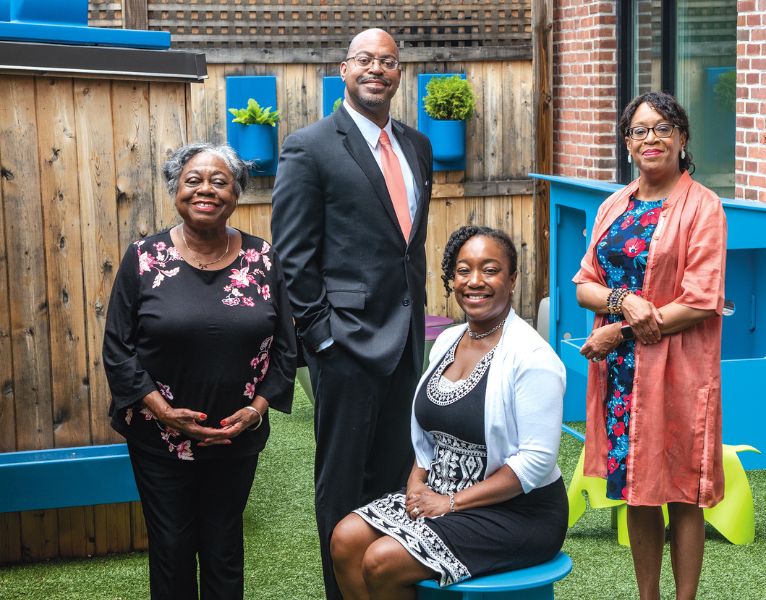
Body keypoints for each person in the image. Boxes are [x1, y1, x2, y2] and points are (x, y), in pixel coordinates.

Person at [270, 28, 433, 598]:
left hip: (408, 342)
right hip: (344, 344)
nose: (377, 69)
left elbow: (406, 245)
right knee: (342, 485)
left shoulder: (417, 146)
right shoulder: (309, 146)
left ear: (398, 73)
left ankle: (388, 586)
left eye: (388, 61)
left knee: (397, 474)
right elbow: (292, 255)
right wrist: (321, 338)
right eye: (365, 59)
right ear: (344, 69)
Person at [329, 226, 568, 599]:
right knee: (345, 538)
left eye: (490, 270)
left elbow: (536, 462)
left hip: (518, 513)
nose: (475, 281)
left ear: (512, 280)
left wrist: (450, 503)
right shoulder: (447, 341)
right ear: (452, 279)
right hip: (441, 494)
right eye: (463, 270)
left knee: (382, 560)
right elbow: (427, 438)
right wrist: (415, 484)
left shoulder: (533, 360)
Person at [103, 143, 296, 600]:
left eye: (219, 180)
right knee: (171, 546)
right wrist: (163, 411)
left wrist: (257, 409)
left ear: (236, 193)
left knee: (224, 546)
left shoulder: (262, 260)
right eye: (193, 181)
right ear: (176, 189)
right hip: (159, 437)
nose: (205, 190)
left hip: (237, 435)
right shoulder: (143, 258)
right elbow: (118, 348)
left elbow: (286, 348)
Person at [574, 91, 727, 600]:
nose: (651, 138)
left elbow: (702, 301)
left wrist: (619, 326)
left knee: (681, 491)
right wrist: (622, 299)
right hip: (620, 377)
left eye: (663, 128)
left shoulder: (704, 207)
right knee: (638, 494)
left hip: (677, 370)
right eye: (639, 130)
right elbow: (585, 284)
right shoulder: (614, 205)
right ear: (627, 143)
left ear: (682, 139)